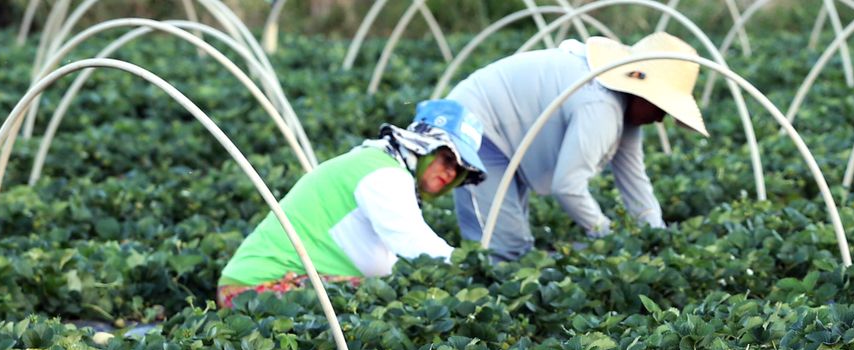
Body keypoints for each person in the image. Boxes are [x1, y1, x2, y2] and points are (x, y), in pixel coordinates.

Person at [446, 32, 707, 260]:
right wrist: (607, 234)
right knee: (500, 248)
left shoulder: (624, 110)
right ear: (640, 93)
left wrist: (655, 235)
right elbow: (567, 186)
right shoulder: (600, 107)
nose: (661, 118)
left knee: (512, 244)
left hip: (508, 130)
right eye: (661, 106)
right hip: (475, 124)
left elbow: (634, 180)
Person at [216, 99, 488, 308]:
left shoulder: (382, 165)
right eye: (447, 159)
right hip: (255, 289)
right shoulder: (384, 174)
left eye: (460, 168)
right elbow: (415, 245)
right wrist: (476, 271)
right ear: (423, 148)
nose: (451, 173)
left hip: (261, 285)